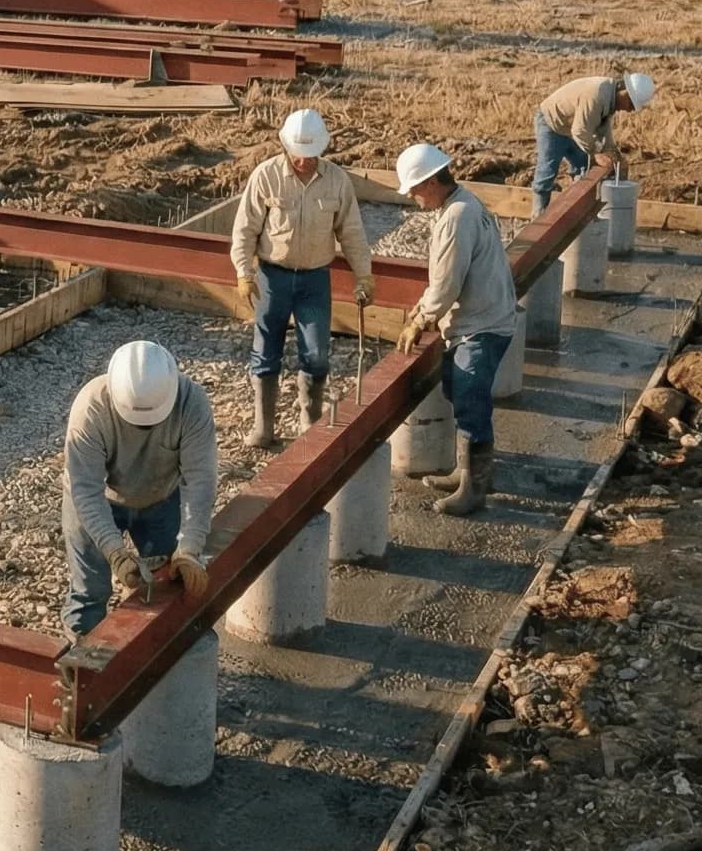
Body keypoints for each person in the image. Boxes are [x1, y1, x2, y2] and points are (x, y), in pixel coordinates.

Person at [230, 107, 376, 449]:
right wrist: (243, 272)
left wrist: (365, 276)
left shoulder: (337, 181)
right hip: (272, 277)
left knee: (317, 354)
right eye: (299, 155)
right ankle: (263, 427)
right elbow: (245, 230)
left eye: (311, 156)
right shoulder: (266, 177)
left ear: (322, 150)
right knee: (265, 353)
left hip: (314, 281)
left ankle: (308, 418)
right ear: (286, 147)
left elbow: (352, 233)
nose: (304, 162)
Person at [60, 340, 218, 638]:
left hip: (160, 497)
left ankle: (160, 659)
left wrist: (190, 548)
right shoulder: (91, 408)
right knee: (90, 591)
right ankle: (79, 664)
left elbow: (200, 481)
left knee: (170, 583)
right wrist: (114, 552)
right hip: (97, 500)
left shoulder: (192, 403)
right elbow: (87, 491)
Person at [395, 142, 519, 517]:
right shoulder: (463, 203)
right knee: (457, 390)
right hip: (481, 318)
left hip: (482, 325)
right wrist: (423, 307)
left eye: (415, 189)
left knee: (470, 400)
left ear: (433, 180)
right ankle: (468, 473)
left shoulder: (457, 217)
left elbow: (447, 283)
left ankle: (473, 489)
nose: (413, 197)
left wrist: (420, 319)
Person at [533, 72, 655, 215]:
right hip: (551, 122)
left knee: (584, 168)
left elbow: (603, 129)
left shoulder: (610, 97)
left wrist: (613, 153)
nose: (629, 110)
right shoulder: (597, 95)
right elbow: (579, 132)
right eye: (631, 104)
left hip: (570, 126)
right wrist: (597, 153)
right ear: (624, 93)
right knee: (547, 173)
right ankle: (537, 216)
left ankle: (576, 212)